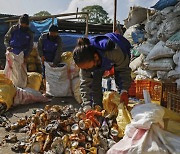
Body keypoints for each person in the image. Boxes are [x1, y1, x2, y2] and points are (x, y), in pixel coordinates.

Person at [73, 32, 132, 111]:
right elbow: (86, 83)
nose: (86, 70)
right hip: (98, 63)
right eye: (84, 68)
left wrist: (124, 90)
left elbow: (123, 70)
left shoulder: (114, 52)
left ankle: (119, 106)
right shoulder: (85, 64)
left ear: (95, 57)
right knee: (95, 82)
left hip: (121, 47)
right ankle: (98, 108)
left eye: (87, 68)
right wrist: (87, 105)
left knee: (120, 81)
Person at [38, 25, 62, 89]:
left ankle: (53, 89)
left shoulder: (58, 39)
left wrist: (55, 62)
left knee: (53, 75)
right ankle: (45, 88)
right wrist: (41, 56)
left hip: (54, 59)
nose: (53, 35)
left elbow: (58, 51)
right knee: (44, 74)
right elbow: (39, 48)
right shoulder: (43, 37)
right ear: (49, 32)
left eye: (55, 34)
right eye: (51, 34)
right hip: (45, 58)